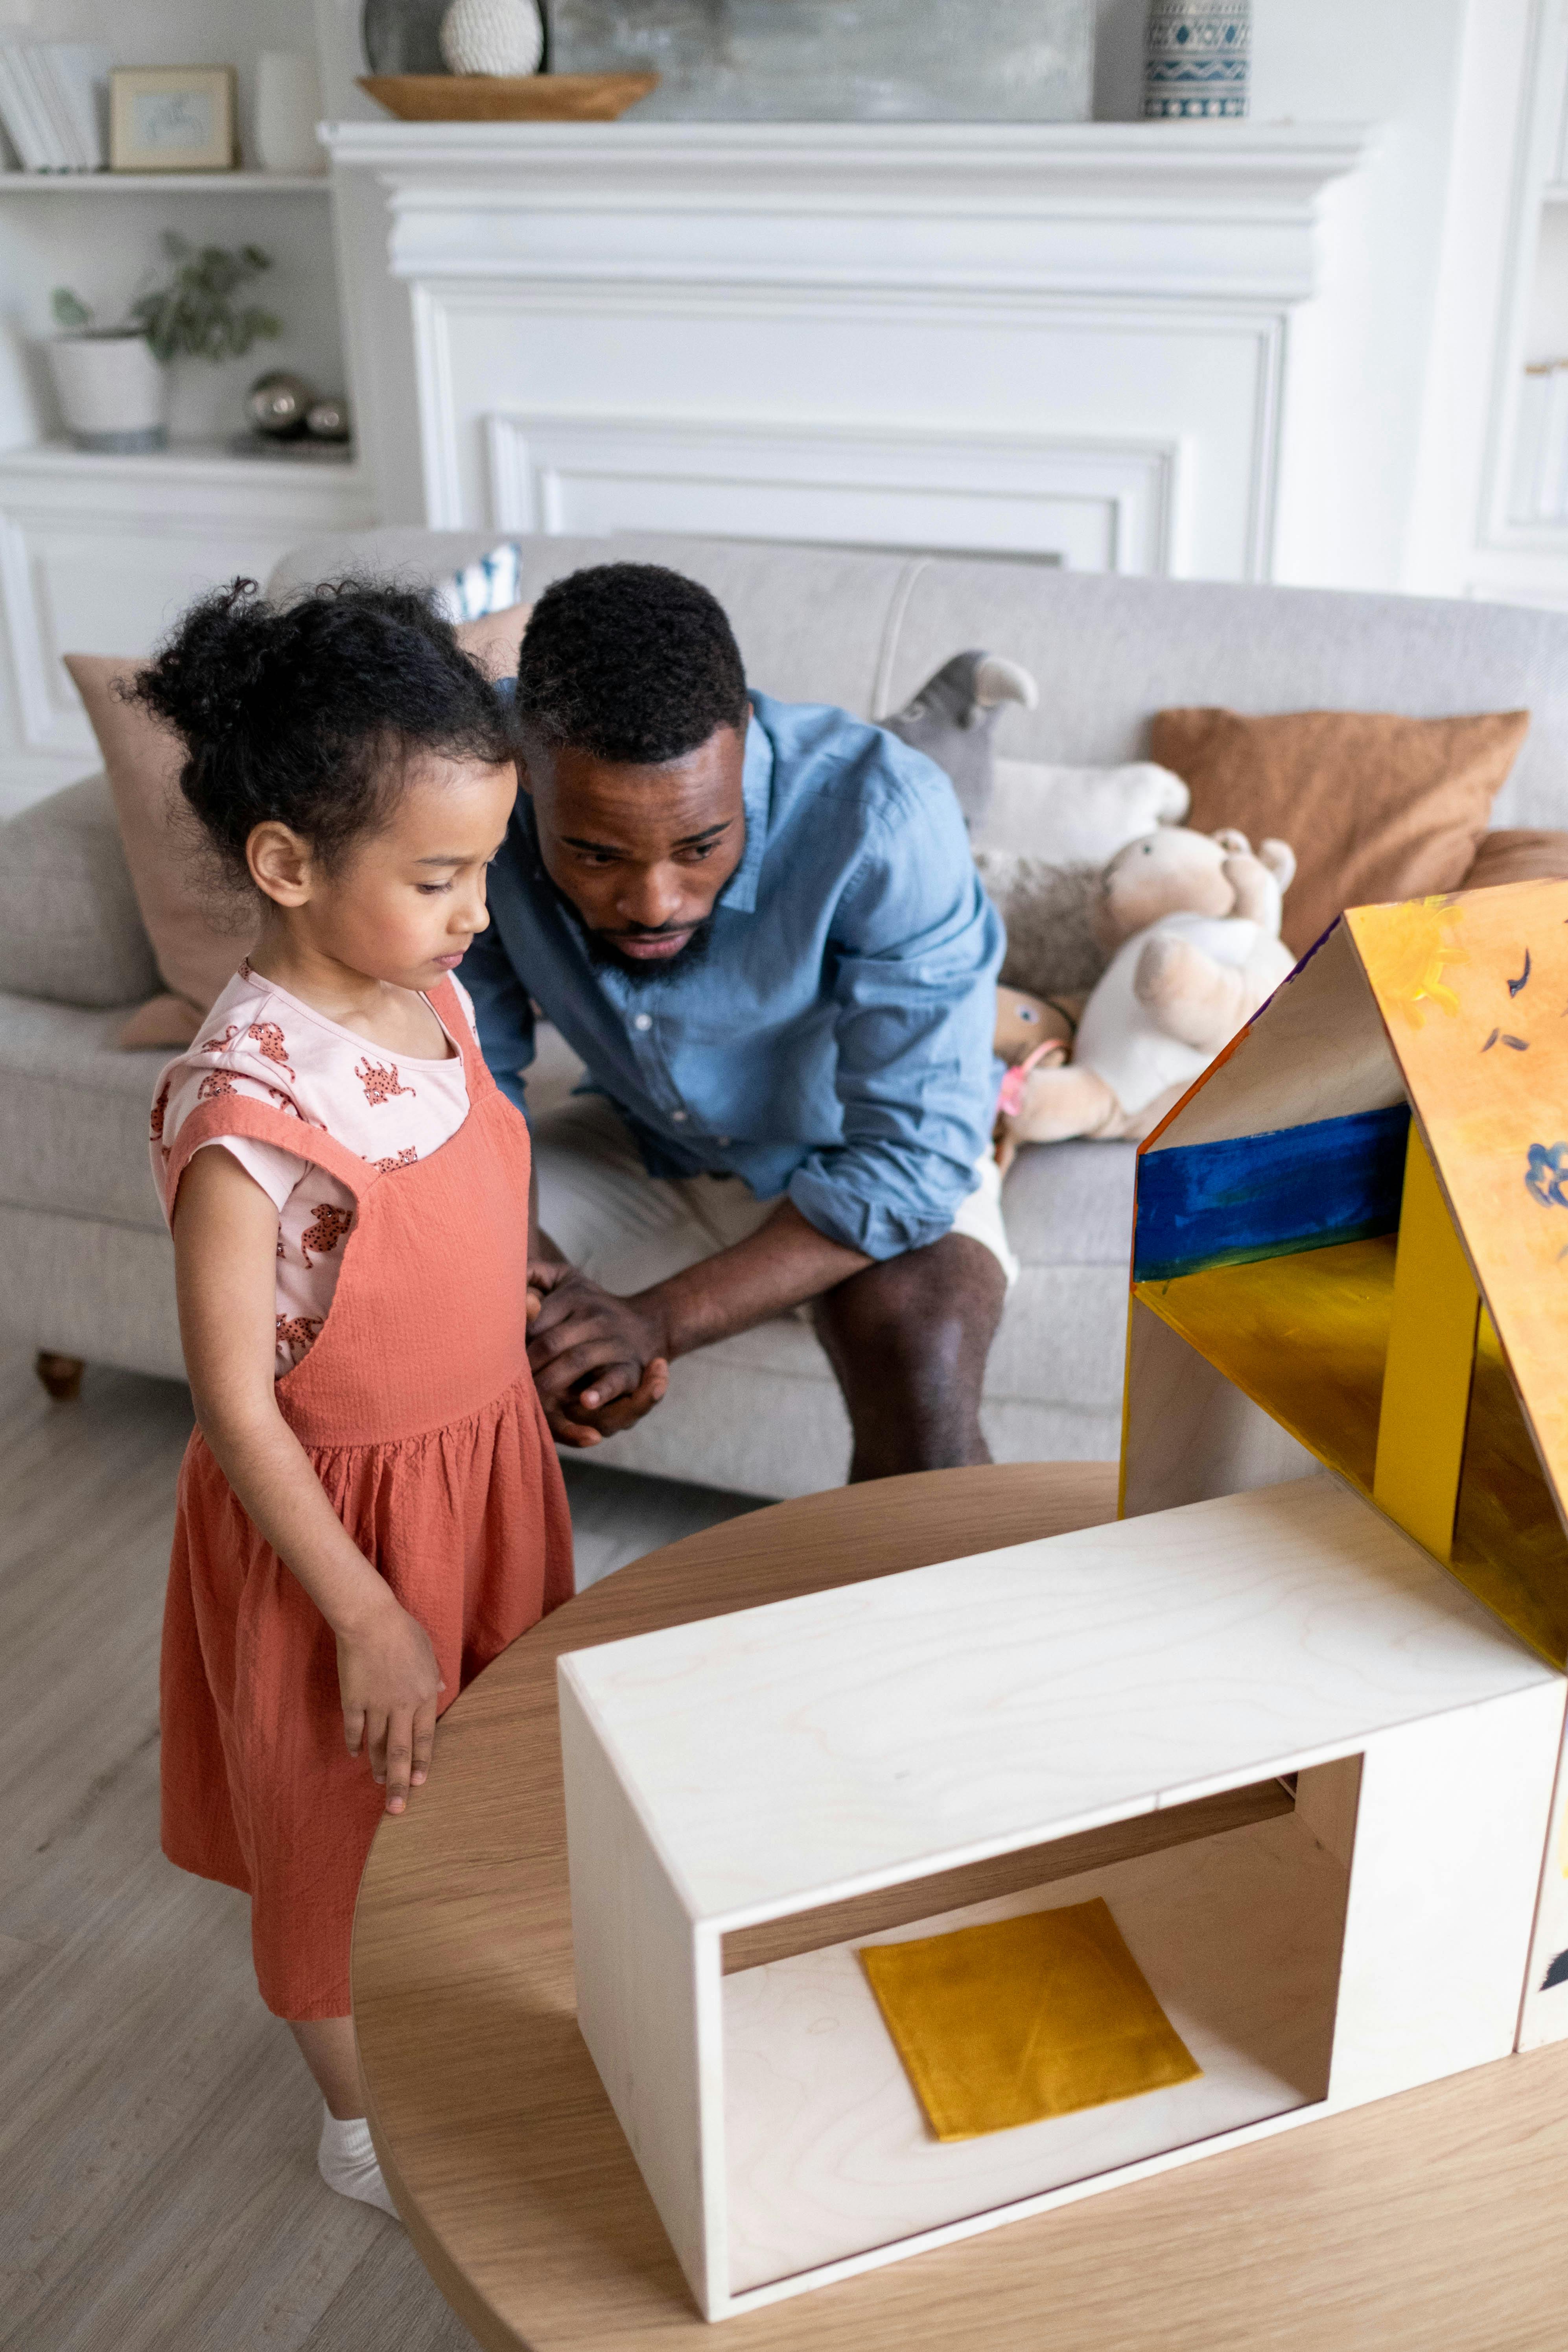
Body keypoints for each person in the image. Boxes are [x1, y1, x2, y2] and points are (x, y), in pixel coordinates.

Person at [139, 580, 573, 2218]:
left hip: (484, 1473)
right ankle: (361, 2124)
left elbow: (456, 1212)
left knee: (492, 1775)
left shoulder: (432, 998)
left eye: (485, 866)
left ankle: (472, 1997)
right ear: (287, 864)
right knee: (335, 1824)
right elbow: (241, 1408)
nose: (479, 911)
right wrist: (367, 1611)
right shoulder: (244, 1114)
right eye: (441, 876)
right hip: (340, 1530)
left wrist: (519, 1337)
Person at [461, 561, 1013, 1480]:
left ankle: (929, 1621)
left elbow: (912, 1165)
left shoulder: (885, 816)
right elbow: (463, 1090)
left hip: (844, 1144)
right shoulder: (472, 790)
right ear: (526, 767)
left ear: (743, 735)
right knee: (409, 1256)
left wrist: (652, 1321)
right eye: (594, 853)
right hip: (638, 1136)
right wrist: (546, 1309)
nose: (652, 902)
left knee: (917, 1345)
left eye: (701, 845)